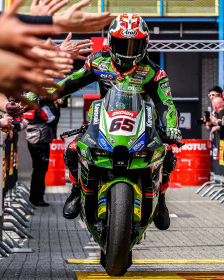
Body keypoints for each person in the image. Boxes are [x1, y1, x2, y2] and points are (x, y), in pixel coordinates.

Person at [30, 14, 181, 230]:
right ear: (111, 41)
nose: (128, 51)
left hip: (143, 127)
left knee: (167, 154)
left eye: (134, 45)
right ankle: (75, 189)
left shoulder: (154, 72)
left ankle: (162, 200)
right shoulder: (97, 61)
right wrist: (43, 95)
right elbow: (70, 83)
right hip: (103, 124)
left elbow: (166, 104)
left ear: (145, 44)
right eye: (122, 44)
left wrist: (171, 127)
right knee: (73, 150)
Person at [24, 101, 61, 206]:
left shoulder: (29, 104)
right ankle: (37, 198)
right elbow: (53, 120)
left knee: (38, 170)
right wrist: (56, 108)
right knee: (40, 171)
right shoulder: (42, 108)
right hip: (40, 141)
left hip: (33, 139)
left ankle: (35, 197)